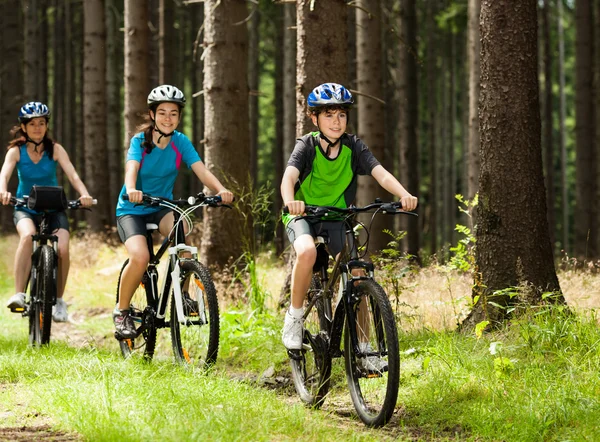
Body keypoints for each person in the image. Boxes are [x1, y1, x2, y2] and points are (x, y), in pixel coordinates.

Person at [280, 83, 418, 366]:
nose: (336, 121)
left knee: (357, 274)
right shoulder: (306, 145)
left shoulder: (354, 147)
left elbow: (381, 173)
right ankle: (294, 318)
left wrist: (403, 194)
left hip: (338, 218)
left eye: (341, 115)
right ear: (314, 118)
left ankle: (365, 350)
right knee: (306, 252)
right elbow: (289, 178)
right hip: (303, 215)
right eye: (328, 115)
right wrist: (290, 201)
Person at [114, 84, 234, 339]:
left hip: (162, 207)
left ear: (179, 117)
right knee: (140, 257)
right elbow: (131, 168)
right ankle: (122, 312)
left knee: (182, 241)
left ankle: (185, 295)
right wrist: (132, 188)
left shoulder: (180, 142)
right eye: (162, 113)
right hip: (131, 208)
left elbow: (200, 169)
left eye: (173, 113)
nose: (168, 118)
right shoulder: (140, 141)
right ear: (152, 115)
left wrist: (221, 189)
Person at [0, 101, 94, 321]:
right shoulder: (16, 151)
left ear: (46, 125)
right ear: (24, 127)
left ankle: (59, 302)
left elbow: (73, 175)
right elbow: (4, 174)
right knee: (27, 236)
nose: (37, 128)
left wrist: (84, 194)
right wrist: (3, 191)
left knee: (62, 247)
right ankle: (19, 295)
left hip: (54, 208)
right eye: (32, 124)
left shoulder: (55, 149)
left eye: (41, 123)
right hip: (25, 207)